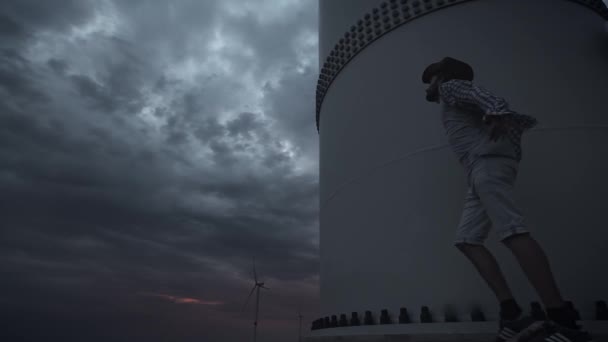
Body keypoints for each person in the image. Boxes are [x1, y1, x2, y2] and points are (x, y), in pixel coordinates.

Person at [421, 57, 592, 342]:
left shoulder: (451, 87)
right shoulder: (450, 99)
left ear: (442, 76)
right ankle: (512, 314)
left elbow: (481, 95)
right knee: (467, 240)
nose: (429, 84)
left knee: (512, 231)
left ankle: (564, 321)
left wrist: (496, 111)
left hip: (487, 165)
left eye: (431, 78)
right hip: (479, 171)